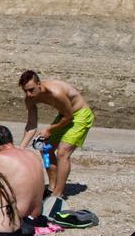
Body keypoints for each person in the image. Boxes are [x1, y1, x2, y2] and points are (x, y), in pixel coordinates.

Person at [17, 70, 94, 202]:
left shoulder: (56, 93)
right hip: (64, 115)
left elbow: (70, 117)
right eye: (25, 91)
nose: (28, 94)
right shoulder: (29, 99)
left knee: (62, 153)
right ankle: (52, 186)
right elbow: (31, 124)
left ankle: (58, 194)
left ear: (39, 84)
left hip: (80, 115)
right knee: (45, 149)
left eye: (31, 90)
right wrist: (20, 149)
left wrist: (50, 129)